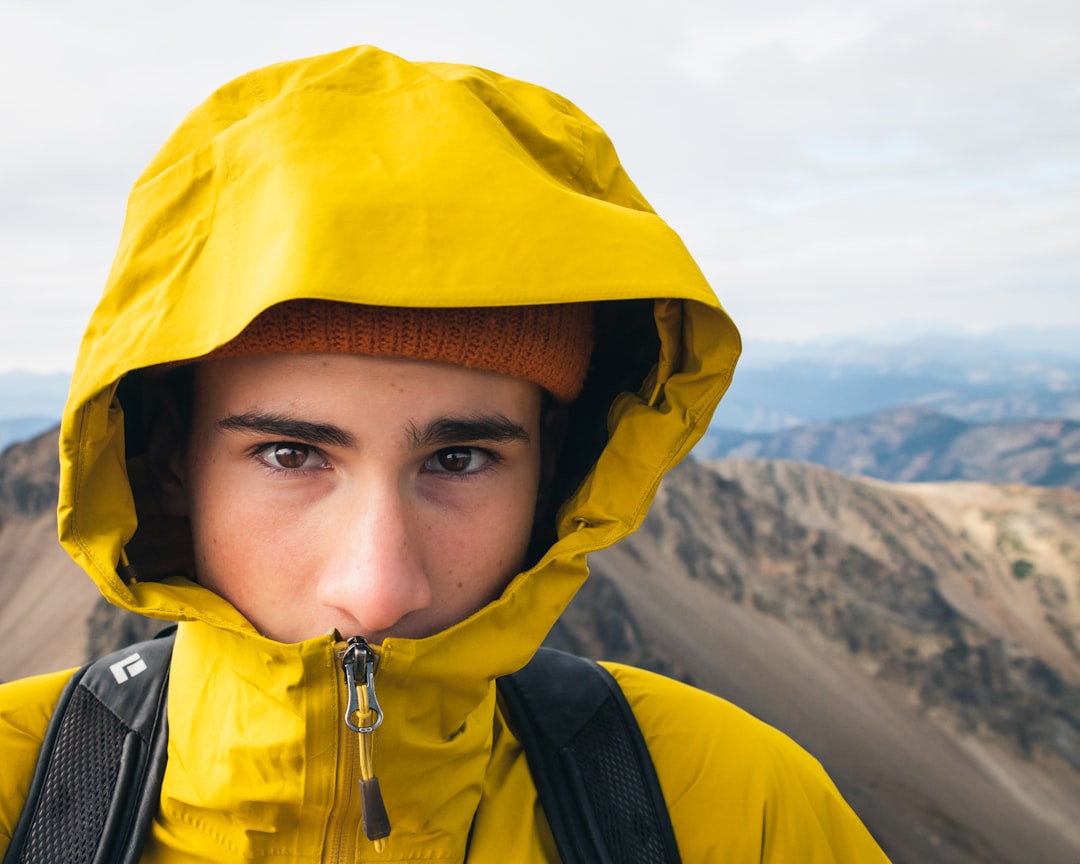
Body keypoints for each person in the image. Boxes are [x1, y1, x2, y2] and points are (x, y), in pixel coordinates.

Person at [0, 45, 890, 862]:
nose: (379, 591)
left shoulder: (741, 807)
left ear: (555, 473)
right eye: (288, 455)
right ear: (167, 462)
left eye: (459, 460)